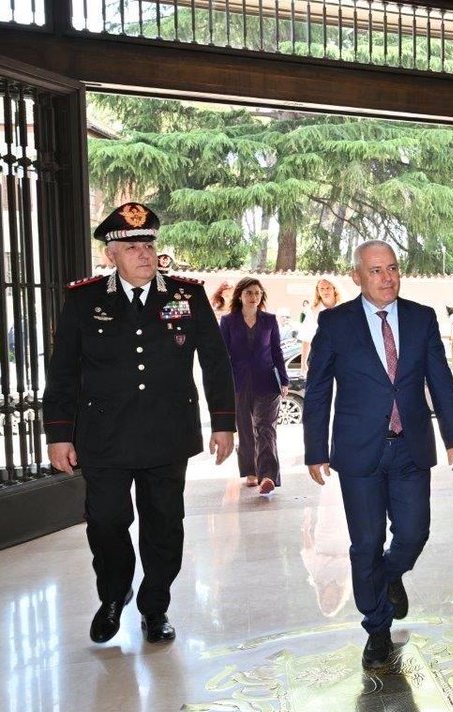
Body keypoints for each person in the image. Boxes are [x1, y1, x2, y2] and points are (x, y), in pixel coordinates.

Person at [42, 202, 236, 645]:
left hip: (167, 433)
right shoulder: (84, 299)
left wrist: (223, 423)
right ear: (111, 254)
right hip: (103, 436)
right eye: (132, 247)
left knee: (164, 523)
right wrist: (58, 435)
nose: (144, 254)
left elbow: (216, 362)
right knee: (106, 522)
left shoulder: (187, 295)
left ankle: (155, 607)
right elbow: (64, 372)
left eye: (148, 244)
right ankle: (113, 595)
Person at [303, 240, 453, 669]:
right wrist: (315, 449)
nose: (387, 278)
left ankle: (391, 575)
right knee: (367, 543)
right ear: (356, 276)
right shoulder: (335, 322)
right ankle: (376, 628)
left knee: (414, 533)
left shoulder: (421, 318)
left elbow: (441, 380)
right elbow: (318, 389)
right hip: (359, 451)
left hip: (410, 445)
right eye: (375, 271)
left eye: (392, 268)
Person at [219, 277, 290, 496]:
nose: (254, 297)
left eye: (258, 293)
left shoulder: (269, 320)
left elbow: (277, 351)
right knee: (245, 428)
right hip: (238, 382)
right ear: (240, 296)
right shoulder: (228, 321)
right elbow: (223, 355)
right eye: (249, 293)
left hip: (267, 382)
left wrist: (284, 380)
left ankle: (268, 475)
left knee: (265, 428)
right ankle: (251, 470)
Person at [298, 276, 342, 369]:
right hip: (321, 359)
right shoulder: (313, 311)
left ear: (334, 289)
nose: (325, 291)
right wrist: (303, 364)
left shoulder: (344, 307)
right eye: (321, 289)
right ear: (318, 291)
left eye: (328, 288)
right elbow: (306, 337)